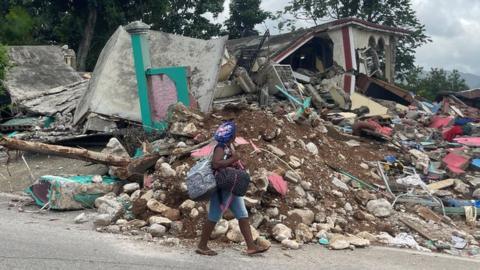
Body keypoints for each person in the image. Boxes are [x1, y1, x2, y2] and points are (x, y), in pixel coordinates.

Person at [196, 121, 269, 256]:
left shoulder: (227, 146)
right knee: (215, 215)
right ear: (231, 135)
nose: (236, 135)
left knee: (242, 214)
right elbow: (216, 164)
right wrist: (233, 159)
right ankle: (202, 246)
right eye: (234, 133)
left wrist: (236, 163)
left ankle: (251, 247)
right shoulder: (220, 147)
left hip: (228, 187)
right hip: (221, 188)